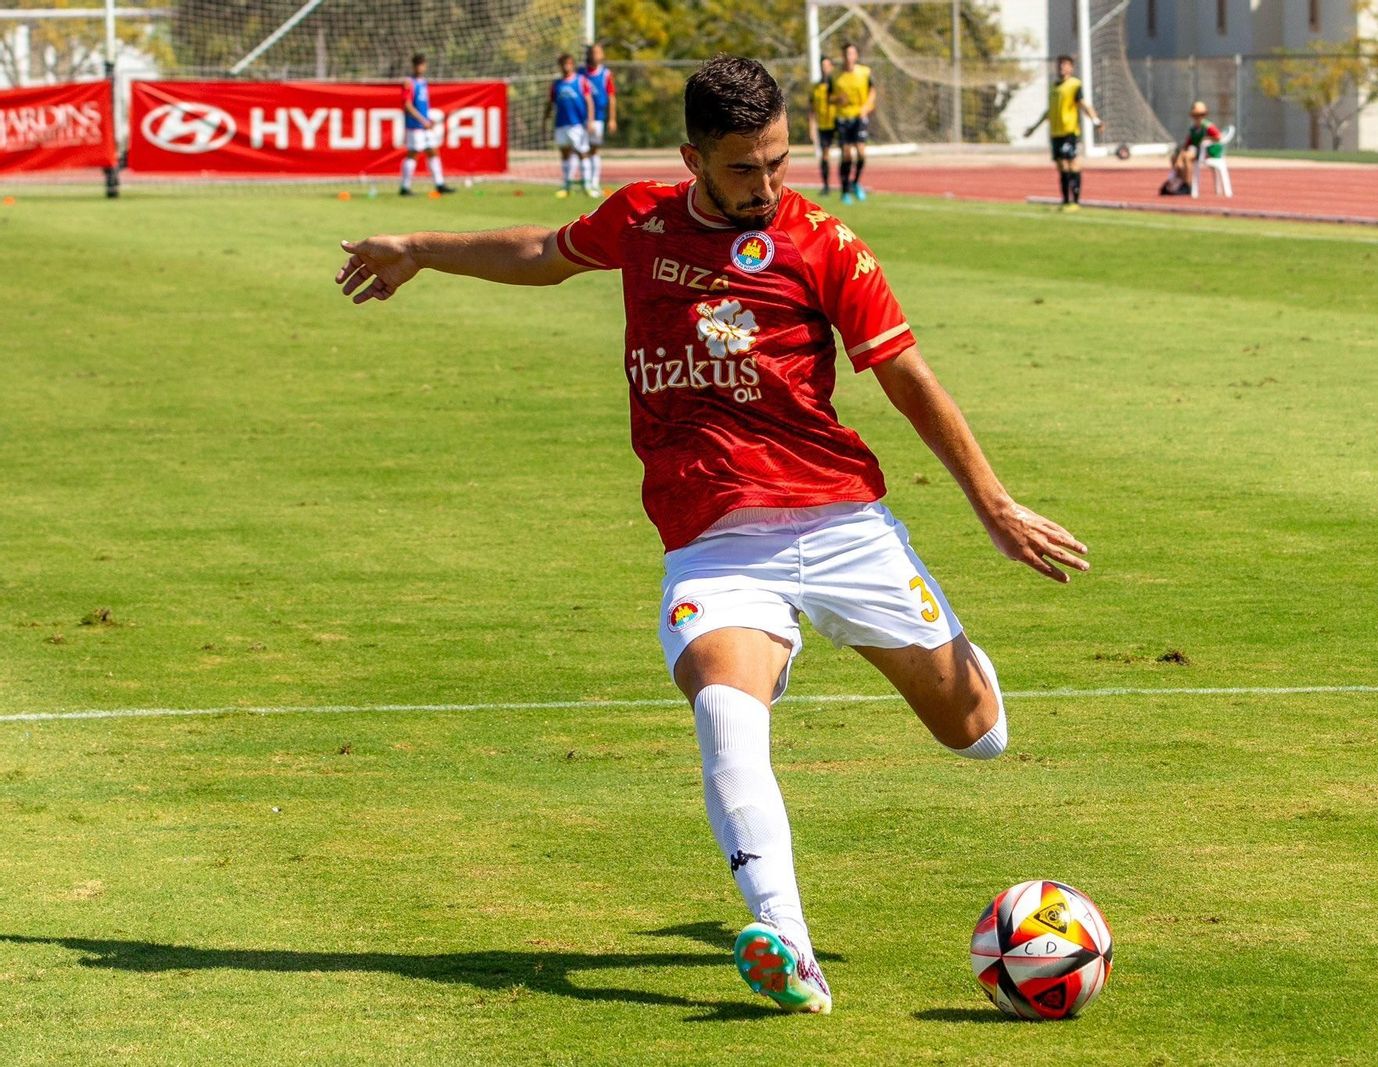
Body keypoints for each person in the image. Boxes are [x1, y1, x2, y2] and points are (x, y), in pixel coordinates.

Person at [334, 55, 1087, 1016]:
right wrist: (423, 247)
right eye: (743, 169)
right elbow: (542, 251)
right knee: (725, 711)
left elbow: (904, 374)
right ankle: (789, 944)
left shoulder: (827, 245)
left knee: (975, 733)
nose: (767, 185)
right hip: (717, 545)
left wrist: (995, 504)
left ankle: (943, 652)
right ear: (692, 156)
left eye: (779, 161)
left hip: (844, 521)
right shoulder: (642, 218)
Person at [1023, 55, 1102, 212]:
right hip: (1055, 133)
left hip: (1069, 131)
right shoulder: (1053, 87)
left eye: (1065, 65)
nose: (1061, 67)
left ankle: (1076, 202)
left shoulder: (1074, 85)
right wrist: (1034, 128)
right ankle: (1066, 201)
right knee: (1061, 166)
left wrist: (1095, 121)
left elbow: (1083, 105)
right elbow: (1049, 111)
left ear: (1071, 68)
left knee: (1072, 163)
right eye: (1060, 64)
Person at [399, 53, 455, 197]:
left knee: (432, 151)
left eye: (422, 64)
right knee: (413, 154)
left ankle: (440, 184)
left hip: (425, 125)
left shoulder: (423, 82)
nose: (420, 67)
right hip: (414, 125)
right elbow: (407, 105)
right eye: (418, 64)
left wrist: (428, 119)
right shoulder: (409, 82)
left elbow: (423, 105)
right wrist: (422, 120)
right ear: (413, 66)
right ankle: (405, 188)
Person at [544, 53, 595, 198]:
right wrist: (545, 118)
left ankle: (588, 186)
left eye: (568, 63)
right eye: (563, 63)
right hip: (561, 124)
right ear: (560, 66)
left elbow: (589, 101)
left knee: (583, 153)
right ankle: (566, 186)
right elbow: (550, 103)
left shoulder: (581, 81)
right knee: (565, 154)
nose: (566, 66)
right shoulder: (556, 84)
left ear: (572, 64)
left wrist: (590, 121)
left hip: (577, 124)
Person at [829, 43, 874, 204]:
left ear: (856, 55)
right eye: (846, 53)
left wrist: (867, 107)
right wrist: (837, 99)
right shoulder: (835, 76)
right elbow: (829, 97)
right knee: (846, 154)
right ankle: (845, 191)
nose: (849, 56)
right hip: (842, 118)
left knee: (861, 153)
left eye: (852, 53)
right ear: (843, 56)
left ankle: (855, 183)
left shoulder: (865, 72)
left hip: (859, 117)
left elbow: (872, 91)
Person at [580, 43, 618, 198]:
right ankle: (585, 183)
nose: (595, 55)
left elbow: (611, 97)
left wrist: (612, 119)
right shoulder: (580, 72)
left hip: (598, 118)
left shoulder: (605, 73)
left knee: (594, 150)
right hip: (580, 118)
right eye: (592, 52)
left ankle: (594, 183)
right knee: (581, 151)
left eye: (598, 52)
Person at [1171, 101, 1222, 192]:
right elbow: (1187, 144)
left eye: (1200, 115)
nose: (1198, 117)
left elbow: (1219, 137)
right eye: (1196, 115)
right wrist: (1179, 157)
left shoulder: (1208, 126)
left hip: (1207, 153)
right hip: (1196, 151)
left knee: (1187, 157)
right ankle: (1179, 181)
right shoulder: (1193, 129)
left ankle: (1188, 185)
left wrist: (1206, 139)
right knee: (1176, 157)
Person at [808, 56, 837, 196]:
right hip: (824, 126)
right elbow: (812, 109)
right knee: (824, 155)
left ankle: (847, 185)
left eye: (827, 65)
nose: (824, 68)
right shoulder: (817, 87)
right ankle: (826, 186)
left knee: (847, 153)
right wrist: (811, 127)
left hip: (838, 123)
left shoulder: (838, 84)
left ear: (832, 67)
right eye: (822, 66)